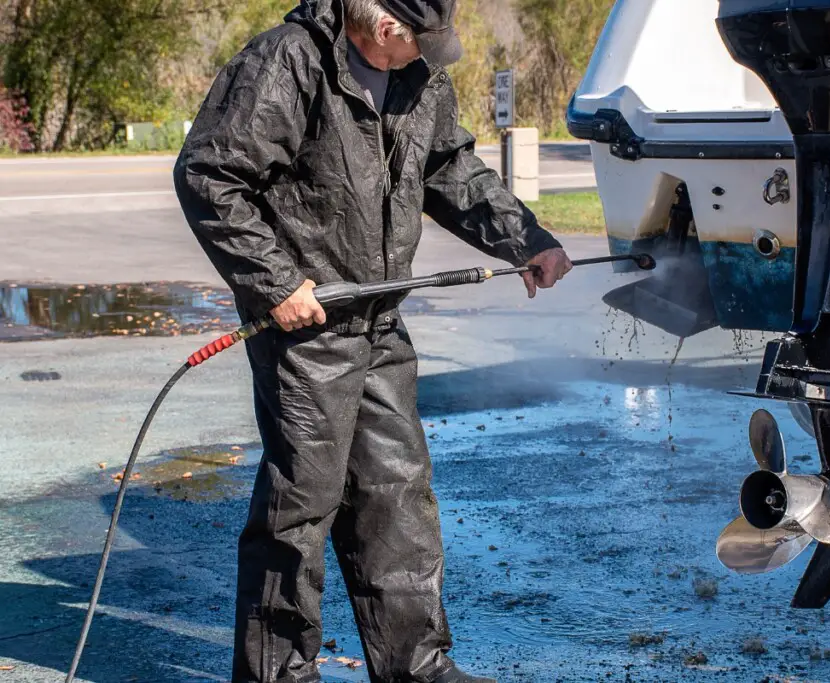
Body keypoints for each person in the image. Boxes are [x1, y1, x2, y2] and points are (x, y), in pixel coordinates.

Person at [174, 0, 572, 681]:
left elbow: (452, 168)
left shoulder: (416, 73)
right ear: (385, 28)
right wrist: (275, 283)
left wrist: (525, 240)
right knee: (300, 508)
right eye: (421, 41)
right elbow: (210, 175)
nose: (429, 56)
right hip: (308, 328)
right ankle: (277, 673)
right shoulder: (288, 62)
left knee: (399, 495)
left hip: (380, 320)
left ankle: (416, 666)